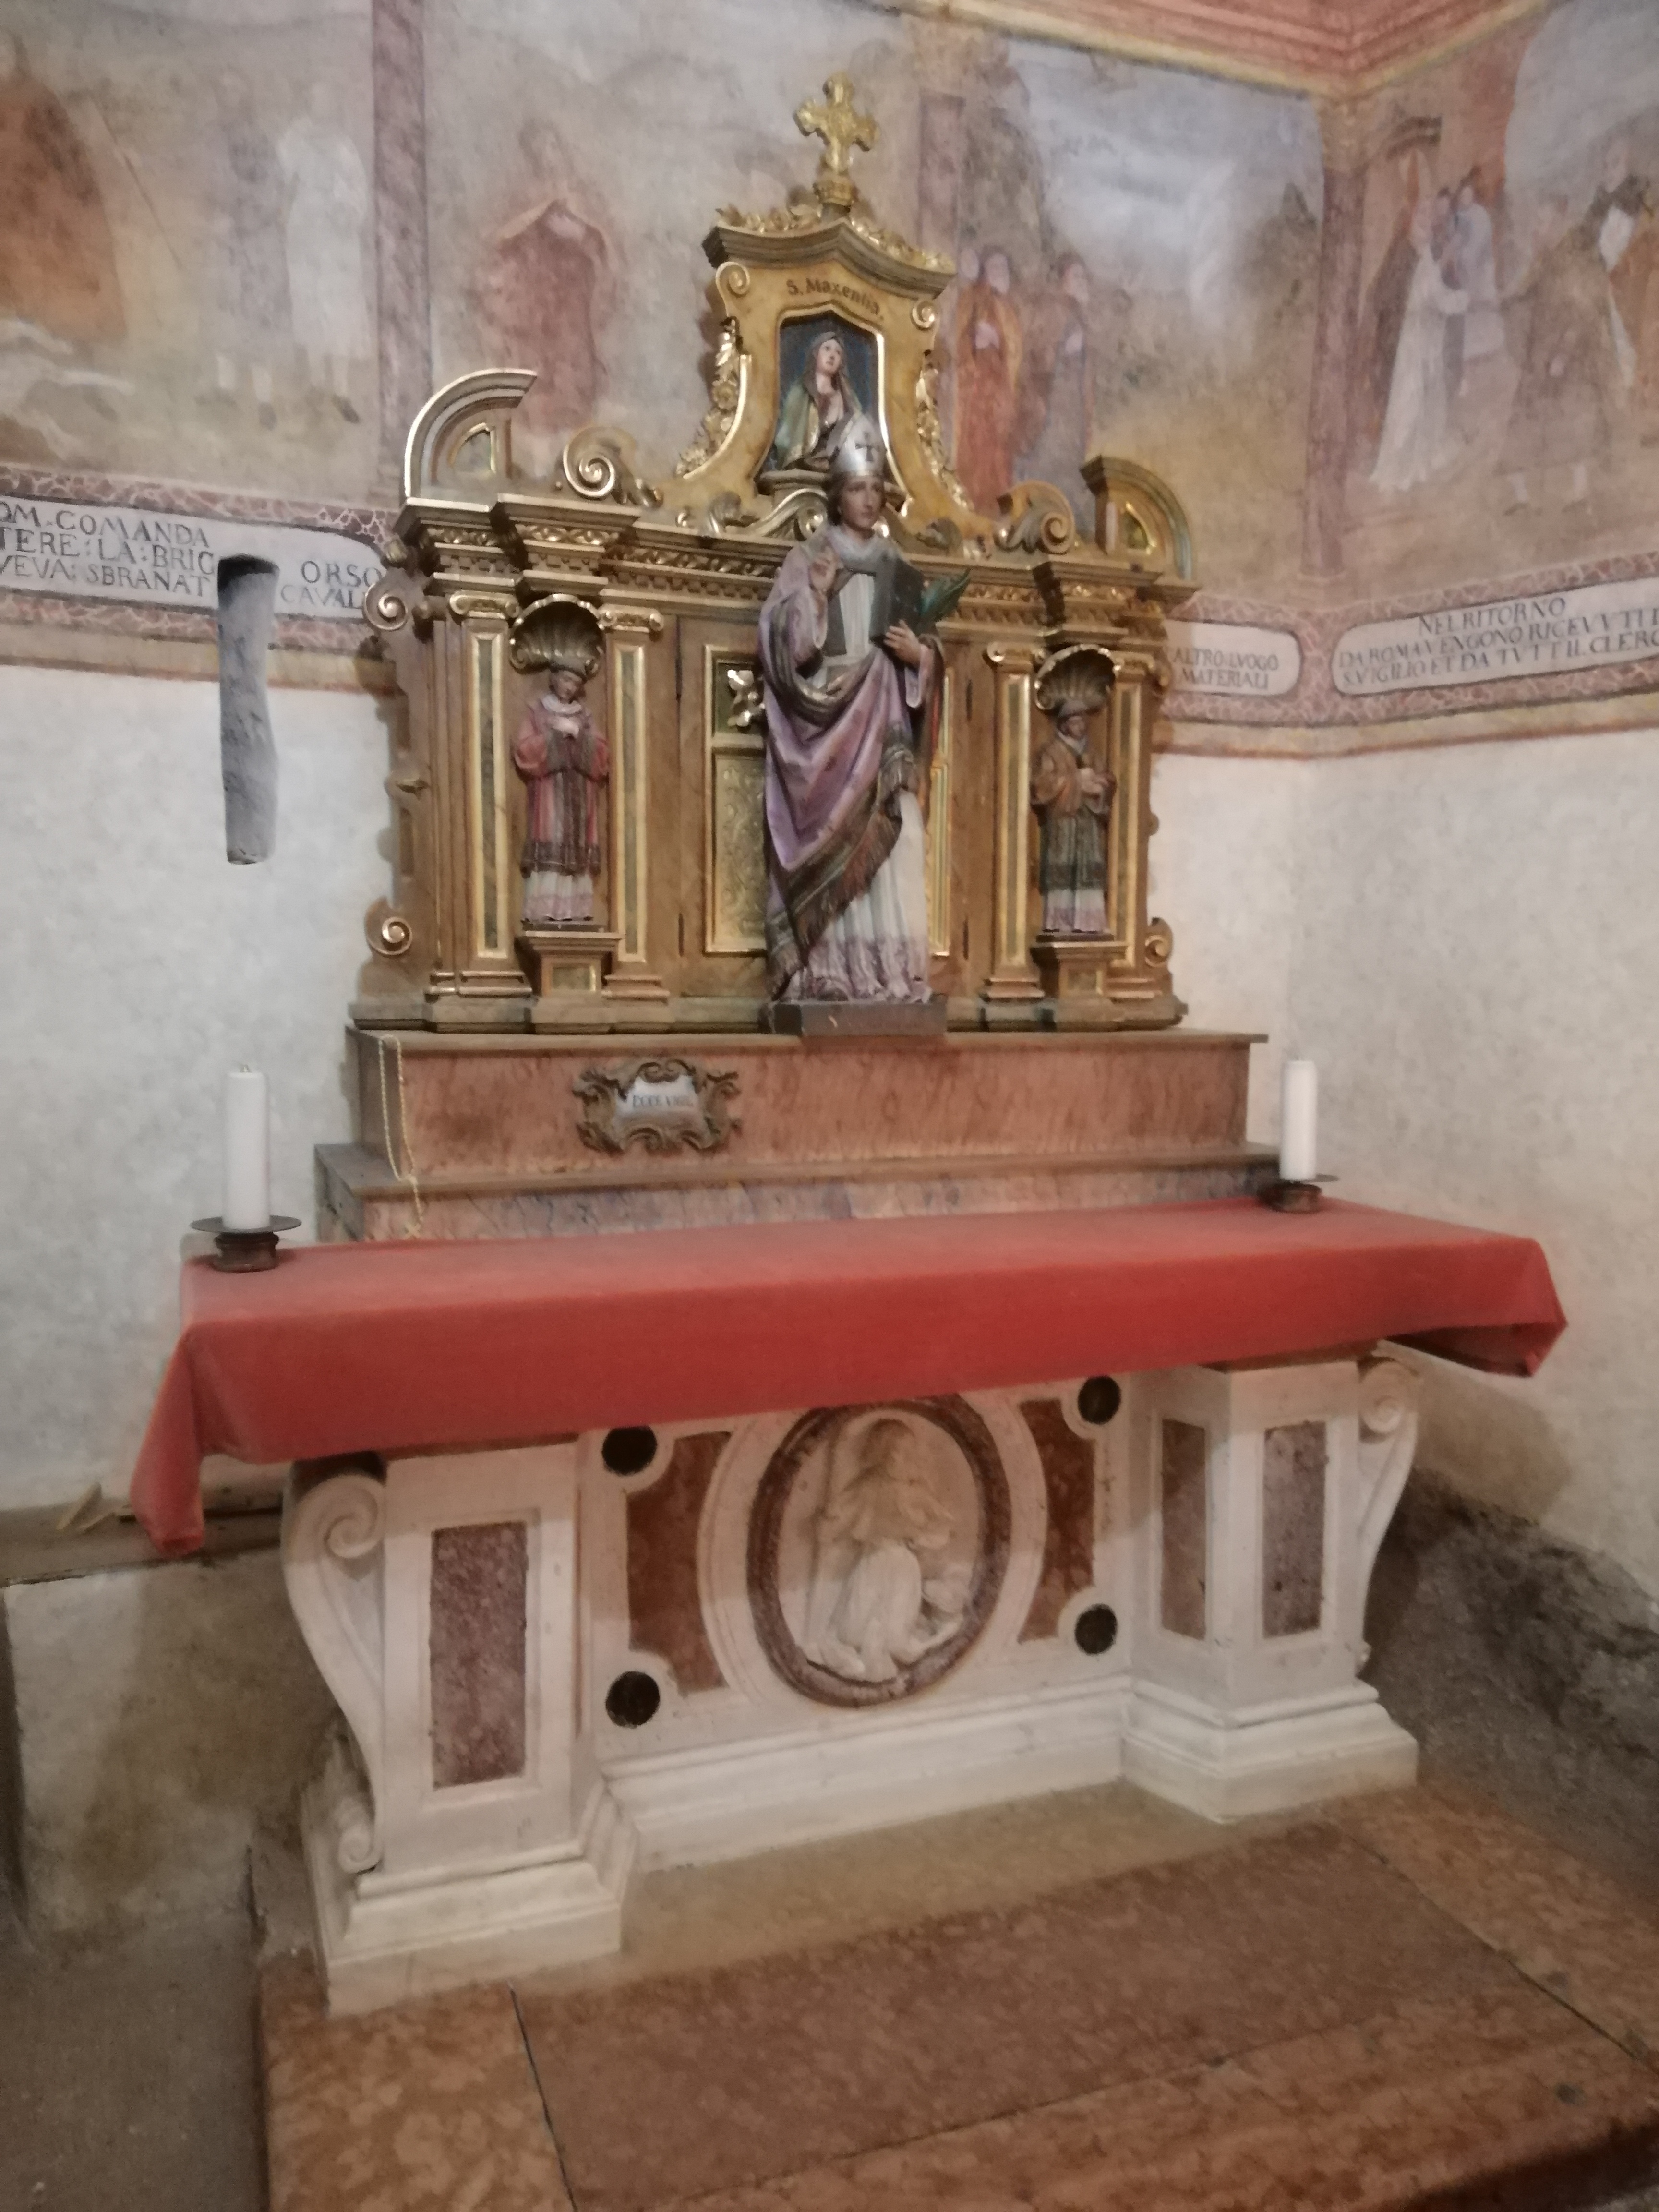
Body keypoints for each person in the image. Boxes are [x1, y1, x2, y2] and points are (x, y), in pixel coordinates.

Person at [757, 414, 937, 1004]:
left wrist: (920, 658)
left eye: (876, 488)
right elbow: (783, 648)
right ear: (837, 496)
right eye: (858, 488)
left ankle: (889, 974)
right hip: (827, 725)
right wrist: (814, 593)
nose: (869, 498)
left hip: (884, 725)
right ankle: (832, 971)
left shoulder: (897, 566)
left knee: (895, 839)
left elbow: (926, 647)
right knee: (833, 839)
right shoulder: (808, 556)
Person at [802, 1418, 965, 1685]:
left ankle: (942, 1635)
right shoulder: (867, 1486)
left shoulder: (916, 1491)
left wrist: (923, 1540)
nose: (904, 1458)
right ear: (881, 1453)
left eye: (909, 1451)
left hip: (902, 1567)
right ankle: (864, 1658)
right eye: (897, 1451)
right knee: (850, 1633)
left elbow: (944, 1525)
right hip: (872, 1563)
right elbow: (835, 1522)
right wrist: (828, 1521)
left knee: (897, 1642)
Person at [479, 121, 611, 450]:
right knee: (537, 371)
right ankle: (539, 443)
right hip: (535, 299)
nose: (548, 156)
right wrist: (536, 221)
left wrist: (581, 234)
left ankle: (574, 437)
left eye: (552, 147)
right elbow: (499, 240)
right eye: (539, 150)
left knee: (573, 367)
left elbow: (602, 244)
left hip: (572, 297)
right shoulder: (521, 196)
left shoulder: (580, 193)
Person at [0, 32, 122, 347]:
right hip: (10, 201)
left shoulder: (35, 97)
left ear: (17, 58)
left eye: (5, 51)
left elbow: (63, 148)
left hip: (36, 200)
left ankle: (47, 328)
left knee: (39, 259)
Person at [1501, 196, 1622, 509]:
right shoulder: (1544, 258)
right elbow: (1525, 292)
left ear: (1556, 224)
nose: (1537, 228)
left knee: (1574, 421)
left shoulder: (1571, 261)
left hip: (1565, 356)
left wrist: (1564, 354)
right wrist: (1509, 298)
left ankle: (1580, 492)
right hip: (1541, 353)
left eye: (1542, 222)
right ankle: (1521, 496)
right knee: (1525, 420)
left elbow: (1581, 313)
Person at [277, 84, 371, 423]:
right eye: (316, 98)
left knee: (340, 307)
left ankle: (341, 390)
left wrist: (348, 210)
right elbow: (280, 179)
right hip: (306, 230)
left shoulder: (344, 144)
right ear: (308, 102)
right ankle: (316, 384)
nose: (323, 104)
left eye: (328, 99)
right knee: (310, 303)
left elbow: (357, 185)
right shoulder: (294, 138)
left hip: (337, 235)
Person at [1370, 197, 1468, 494]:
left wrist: (1459, 299)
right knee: (1408, 406)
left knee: (1425, 405)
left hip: (1423, 342)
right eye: (1421, 215)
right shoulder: (1405, 255)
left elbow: (1433, 294)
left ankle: (1413, 468)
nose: (1427, 220)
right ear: (1409, 221)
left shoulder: (1423, 255)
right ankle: (1395, 472)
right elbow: (1422, 299)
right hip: (1409, 345)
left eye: (1429, 216)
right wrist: (1462, 299)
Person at [512, 641, 608, 926]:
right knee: (551, 843)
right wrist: (554, 738)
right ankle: (547, 909)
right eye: (566, 680)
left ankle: (575, 909)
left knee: (577, 850)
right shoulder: (538, 712)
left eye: (575, 683)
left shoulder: (584, 717)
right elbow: (524, 750)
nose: (569, 687)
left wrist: (578, 734)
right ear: (554, 678)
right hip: (549, 795)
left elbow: (603, 756)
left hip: (581, 796)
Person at [1031, 695, 1114, 936]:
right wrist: (1077, 782)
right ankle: (1061, 921)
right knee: (1063, 872)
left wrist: (1101, 785)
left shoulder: (1091, 752)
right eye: (1075, 722)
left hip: (1088, 826)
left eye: (1083, 722)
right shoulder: (1052, 752)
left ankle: (1089, 921)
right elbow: (1042, 786)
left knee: (1089, 872)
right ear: (1065, 725)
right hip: (1064, 825)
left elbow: (1107, 780)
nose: (1080, 727)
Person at [953, 246, 1022, 513]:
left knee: (999, 455)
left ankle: (996, 507)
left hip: (1000, 394)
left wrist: (998, 340)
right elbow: (956, 337)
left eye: (1004, 268)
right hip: (975, 390)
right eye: (994, 267)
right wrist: (973, 339)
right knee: (976, 448)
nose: (1000, 273)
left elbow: (1016, 352)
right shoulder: (972, 299)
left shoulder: (1008, 309)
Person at [767, 329, 861, 472]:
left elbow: (859, 429)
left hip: (839, 466)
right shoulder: (801, 391)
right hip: (804, 464)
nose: (832, 356)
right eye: (827, 349)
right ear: (816, 354)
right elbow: (789, 430)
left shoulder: (848, 397)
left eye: (838, 353)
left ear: (841, 362)